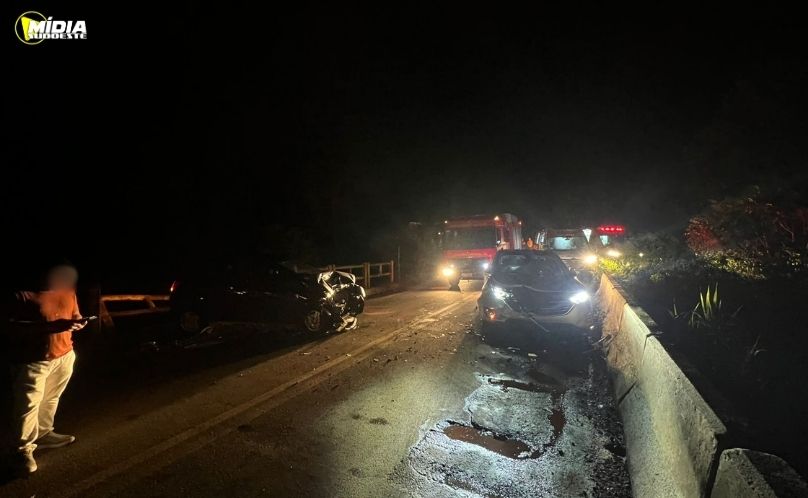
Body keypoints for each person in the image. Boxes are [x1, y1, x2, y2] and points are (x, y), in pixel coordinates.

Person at [4, 263, 87, 475]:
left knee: (51, 397)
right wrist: (50, 327)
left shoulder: (68, 291)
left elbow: (75, 313)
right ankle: (20, 450)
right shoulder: (22, 295)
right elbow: (11, 329)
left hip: (64, 353)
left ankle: (43, 433)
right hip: (32, 359)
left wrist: (78, 322)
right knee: (28, 404)